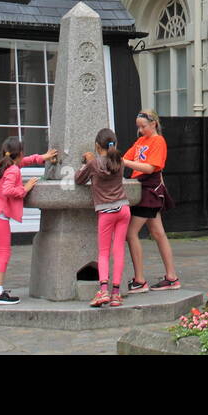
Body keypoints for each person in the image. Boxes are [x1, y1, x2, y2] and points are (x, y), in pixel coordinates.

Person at [0, 136, 58, 305]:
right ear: (19, 153)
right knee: (4, 253)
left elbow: (23, 161)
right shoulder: (13, 170)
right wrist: (25, 188)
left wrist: (42, 157)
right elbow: (8, 190)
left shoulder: (1, 165)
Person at [123, 110, 179, 293]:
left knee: (131, 233)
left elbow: (149, 168)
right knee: (158, 233)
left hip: (149, 189)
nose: (140, 130)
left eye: (143, 126)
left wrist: (124, 163)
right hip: (144, 188)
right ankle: (171, 277)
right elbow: (126, 157)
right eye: (138, 127)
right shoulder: (141, 141)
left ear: (154, 124)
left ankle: (140, 280)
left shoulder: (158, 141)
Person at [76, 128, 131, 308]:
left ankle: (103, 291)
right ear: (114, 144)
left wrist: (86, 162)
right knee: (119, 250)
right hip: (123, 209)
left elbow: (78, 180)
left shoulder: (94, 164)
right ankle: (116, 293)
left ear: (97, 146)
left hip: (106, 212)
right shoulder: (120, 162)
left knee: (104, 252)